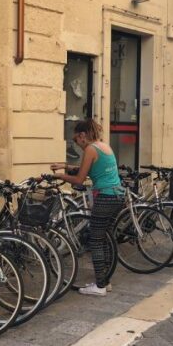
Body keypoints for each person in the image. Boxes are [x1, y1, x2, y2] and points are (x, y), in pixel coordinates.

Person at [50, 119, 123, 296]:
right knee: (105, 238)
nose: (77, 144)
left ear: (83, 136)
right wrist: (65, 166)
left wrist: (60, 176)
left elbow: (79, 179)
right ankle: (104, 282)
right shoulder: (103, 146)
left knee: (95, 240)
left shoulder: (90, 149)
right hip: (118, 196)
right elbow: (89, 168)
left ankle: (99, 287)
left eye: (76, 140)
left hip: (105, 197)